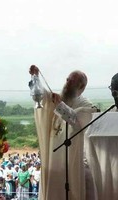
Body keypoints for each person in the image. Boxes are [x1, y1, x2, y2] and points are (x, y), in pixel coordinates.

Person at [30, 65, 97, 200]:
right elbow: (43, 96)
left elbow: (76, 120)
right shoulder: (59, 98)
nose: (67, 83)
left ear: (81, 87)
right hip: (53, 157)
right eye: (67, 80)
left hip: (70, 160)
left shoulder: (86, 105)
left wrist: (60, 105)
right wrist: (35, 77)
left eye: (72, 82)